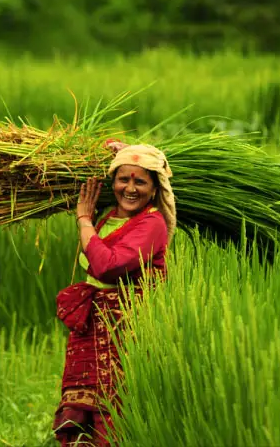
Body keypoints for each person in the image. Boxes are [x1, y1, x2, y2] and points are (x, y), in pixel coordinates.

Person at [52, 140, 177, 446]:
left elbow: (108, 266)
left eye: (141, 181)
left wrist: (83, 221)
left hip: (124, 336)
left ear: (155, 188)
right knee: (86, 421)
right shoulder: (107, 218)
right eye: (123, 179)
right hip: (92, 334)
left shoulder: (152, 224)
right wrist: (118, 153)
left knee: (117, 416)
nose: (131, 188)